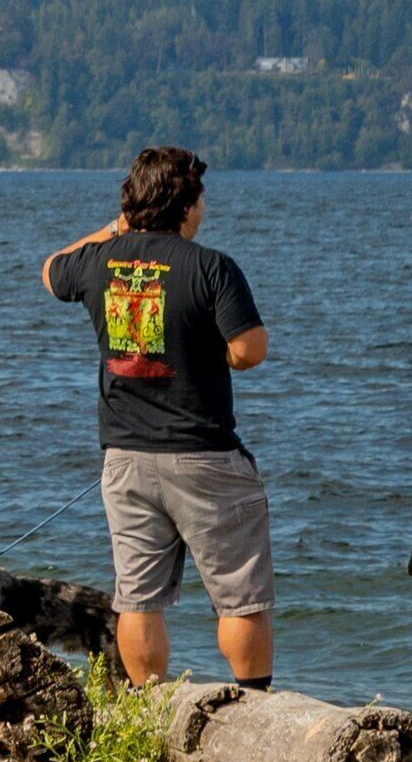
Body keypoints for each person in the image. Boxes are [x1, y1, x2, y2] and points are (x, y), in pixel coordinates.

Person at [41, 146, 275, 688]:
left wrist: (114, 229)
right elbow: (250, 348)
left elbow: (52, 270)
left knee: (138, 597)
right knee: (240, 597)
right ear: (187, 204)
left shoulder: (101, 261)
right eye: (200, 197)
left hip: (125, 458)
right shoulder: (211, 266)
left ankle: (145, 707)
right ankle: (257, 703)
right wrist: (203, 354)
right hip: (205, 455)